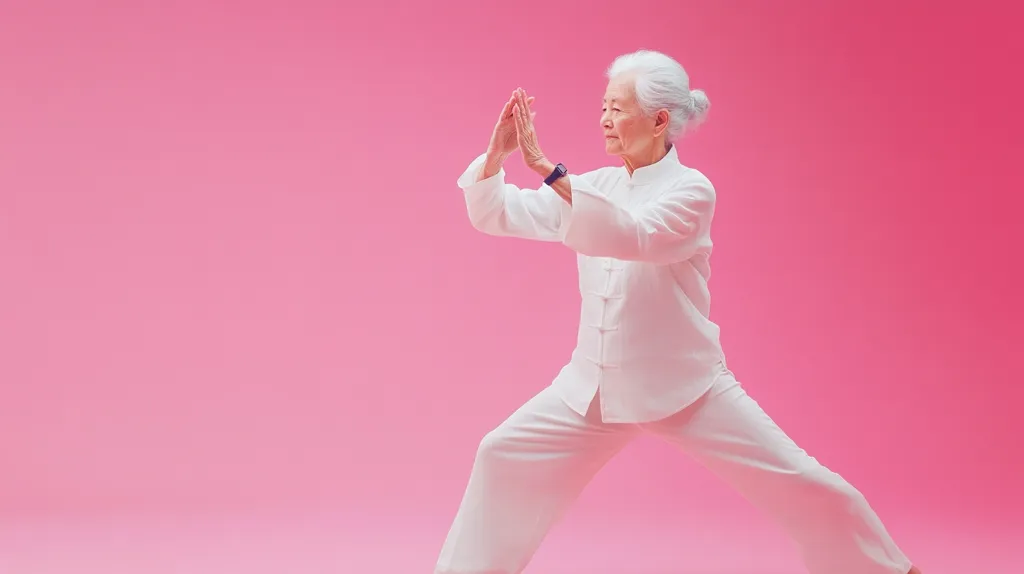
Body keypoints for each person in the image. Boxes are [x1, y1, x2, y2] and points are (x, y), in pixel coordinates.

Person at [435, 49, 920, 574]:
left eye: (617, 109)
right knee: (501, 453)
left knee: (800, 481)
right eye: (603, 107)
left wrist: (549, 171)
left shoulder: (692, 190)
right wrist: (497, 155)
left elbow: (636, 236)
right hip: (590, 390)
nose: (604, 119)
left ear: (660, 119)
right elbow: (499, 212)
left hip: (684, 387)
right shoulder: (595, 184)